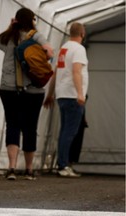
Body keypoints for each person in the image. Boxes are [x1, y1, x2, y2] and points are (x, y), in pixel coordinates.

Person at [0, 8, 54, 180]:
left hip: (8, 88)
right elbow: (50, 52)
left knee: (12, 124)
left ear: (17, 21)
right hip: (33, 89)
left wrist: (11, 27)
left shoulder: (8, 38)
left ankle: (12, 168)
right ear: (32, 20)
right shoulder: (36, 36)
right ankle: (29, 170)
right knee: (30, 127)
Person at [43, 22, 88, 177]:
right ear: (82, 34)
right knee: (70, 131)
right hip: (72, 95)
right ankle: (63, 166)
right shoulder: (79, 49)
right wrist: (80, 94)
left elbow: (56, 73)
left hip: (62, 94)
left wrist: (50, 94)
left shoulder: (64, 48)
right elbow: (76, 71)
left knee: (64, 131)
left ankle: (62, 164)